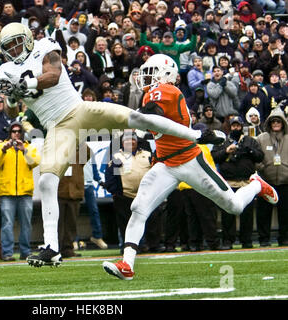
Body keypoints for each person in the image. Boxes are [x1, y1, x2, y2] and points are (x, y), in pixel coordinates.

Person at [0, 24, 225, 268]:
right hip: (57, 127)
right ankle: (52, 248)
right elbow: (10, 107)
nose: (14, 49)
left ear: (29, 39)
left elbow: (51, 75)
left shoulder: (45, 46)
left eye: (17, 42)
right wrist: (10, 96)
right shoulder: (5, 70)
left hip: (80, 110)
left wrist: (24, 85)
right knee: (47, 180)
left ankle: (196, 135)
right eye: (8, 46)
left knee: (138, 118)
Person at [102, 54, 279, 280]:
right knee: (139, 208)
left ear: (165, 74)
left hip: (190, 161)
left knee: (234, 206)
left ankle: (256, 185)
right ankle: (127, 264)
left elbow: (151, 116)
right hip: (165, 164)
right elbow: (154, 125)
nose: (145, 77)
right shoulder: (153, 93)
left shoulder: (165, 91)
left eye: (150, 72)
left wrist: (127, 119)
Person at [211, 116, 264, 249]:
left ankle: (246, 240)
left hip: (246, 183)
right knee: (228, 215)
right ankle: (228, 241)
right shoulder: (223, 141)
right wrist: (226, 151)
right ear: (230, 127)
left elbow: (260, 156)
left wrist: (249, 150)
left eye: (238, 126)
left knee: (247, 215)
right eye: (233, 126)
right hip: (229, 184)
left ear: (242, 127)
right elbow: (214, 157)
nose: (236, 128)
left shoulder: (250, 140)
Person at [0, 121, 40, 261]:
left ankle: (25, 251)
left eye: (19, 131)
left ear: (22, 133)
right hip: (7, 192)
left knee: (26, 224)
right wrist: (4, 150)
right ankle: (7, 253)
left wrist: (23, 150)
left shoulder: (29, 147)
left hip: (25, 191)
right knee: (7, 224)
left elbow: (35, 162)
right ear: (10, 133)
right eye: (14, 131)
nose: (16, 134)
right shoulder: (1, 146)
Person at [256, 109, 288, 247]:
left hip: (286, 181)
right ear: (269, 123)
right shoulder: (261, 138)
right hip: (266, 182)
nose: (276, 123)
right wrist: (262, 167)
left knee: (285, 213)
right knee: (263, 213)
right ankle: (264, 239)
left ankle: (285, 238)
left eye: (278, 121)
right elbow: (255, 157)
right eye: (273, 121)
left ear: (283, 123)